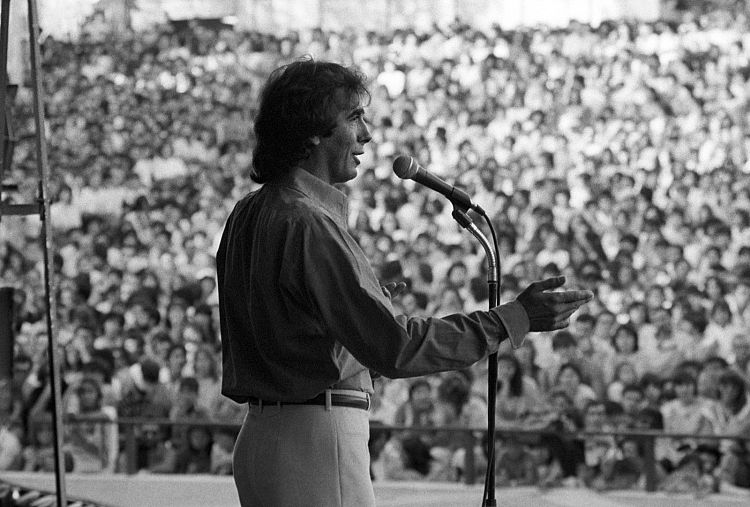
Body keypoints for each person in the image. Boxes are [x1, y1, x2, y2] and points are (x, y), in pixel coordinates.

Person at [216, 58, 593, 507]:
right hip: (316, 442)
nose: (367, 135)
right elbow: (394, 346)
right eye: (354, 117)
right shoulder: (309, 224)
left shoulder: (247, 213)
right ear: (313, 129)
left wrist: (359, 315)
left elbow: (290, 336)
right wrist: (513, 318)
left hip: (262, 438)